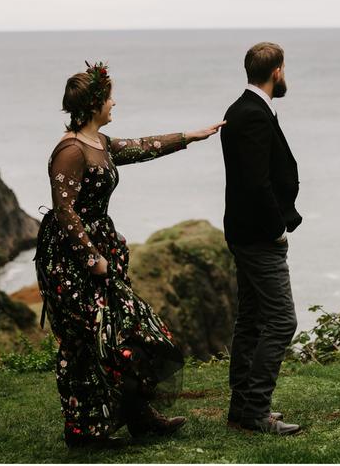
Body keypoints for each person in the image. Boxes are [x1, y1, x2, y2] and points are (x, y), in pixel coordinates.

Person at [34, 61, 225, 448]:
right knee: (85, 341)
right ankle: (83, 432)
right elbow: (65, 211)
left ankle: (138, 415)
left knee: (127, 331)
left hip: (99, 250)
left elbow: (142, 147)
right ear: (93, 105)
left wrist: (189, 136)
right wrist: (92, 258)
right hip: (70, 260)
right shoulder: (69, 151)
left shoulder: (99, 144)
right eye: (109, 98)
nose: (114, 103)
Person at [220, 42, 302, 435]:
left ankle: (241, 408)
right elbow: (255, 183)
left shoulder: (242, 109)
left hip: (244, 232)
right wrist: (277, 228)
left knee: (251, 320)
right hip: (258, 236)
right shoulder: (252, 114)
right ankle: (255, 410)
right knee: (283, 321)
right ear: (278, 71)